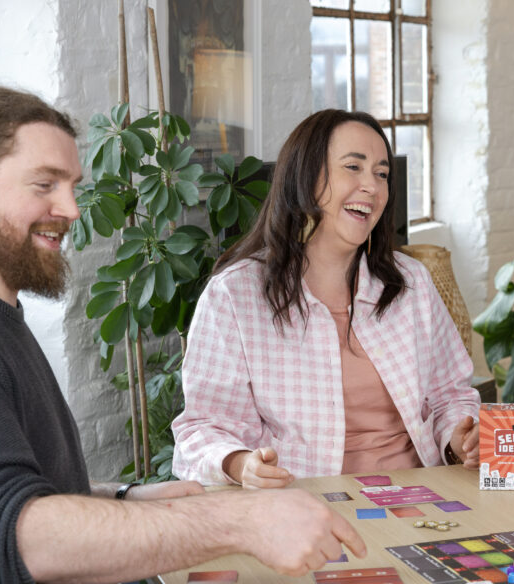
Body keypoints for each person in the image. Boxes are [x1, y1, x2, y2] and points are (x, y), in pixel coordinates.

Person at [0, 86, 366, 584]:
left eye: (72, 186)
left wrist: (123, 498)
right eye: (44, 184)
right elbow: (25, 539)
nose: (72, 209)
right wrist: (243, 522)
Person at [172, 110, 480, 488]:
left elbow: (451, 396)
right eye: (353, 167)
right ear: (307, 178)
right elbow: (202, 428)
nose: (372, 186)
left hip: (420, 494)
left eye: (382, 174)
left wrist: (459, 440)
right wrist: (239, 464)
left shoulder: (411, 283)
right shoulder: (233, 296)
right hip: (303, 502)